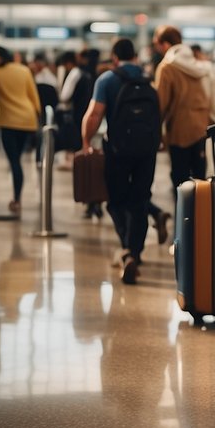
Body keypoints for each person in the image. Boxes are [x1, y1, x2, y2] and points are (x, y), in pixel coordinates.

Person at [80, 38, 158, 284]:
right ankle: (134, 251)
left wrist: (86, 142)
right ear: (134, 56)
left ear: (114, 57)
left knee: (115, 201)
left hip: (117, 149)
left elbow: (94, 114)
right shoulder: (148, 78)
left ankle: (126, 249)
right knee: (140, 200)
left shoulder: (107, 79)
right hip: (147, 149)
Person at [153, 24, 212, 198]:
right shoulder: (197, 63)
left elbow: (161, 104)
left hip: (179, 130)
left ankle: (185, 221)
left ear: (164, 45)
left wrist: (157, 131)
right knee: (200, 179)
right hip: (201, 126)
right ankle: (202, 218)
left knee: (181, 180)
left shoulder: (167, 67)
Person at [0, 46, 41, 214]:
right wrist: (38, 115)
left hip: (9, 121)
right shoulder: (24, 70)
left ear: (1, 57)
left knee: (15, 161)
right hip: (27, 119)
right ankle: (17, 198)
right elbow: (34, 96)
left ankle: (17, 199)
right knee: (17, 160)